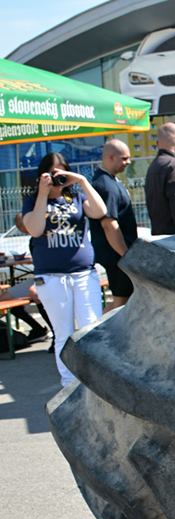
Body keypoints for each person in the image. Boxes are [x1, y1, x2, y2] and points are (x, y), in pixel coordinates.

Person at [19, 152, 108, 386]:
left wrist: (81, 181)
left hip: (83, 274)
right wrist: (43, 192)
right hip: (52, 278)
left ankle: (95, 379)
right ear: (42, 175)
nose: (58, 177)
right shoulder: (33, 201)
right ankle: (69, 384)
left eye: (62, 171)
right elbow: (35, 229)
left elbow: (99, 212)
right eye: (53, 172)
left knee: (92, 328)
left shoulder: (74, 197)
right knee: (64, 333)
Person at [91, 139, 137, 311]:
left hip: (119, 255)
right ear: (110, 157)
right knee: (121, 303)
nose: (128, 162)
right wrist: (126, 255)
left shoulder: (110, 182)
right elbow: (109, 225)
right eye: (124, 158)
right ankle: (94, 334)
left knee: (124, 301)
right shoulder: (106, 186)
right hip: (116, 257)